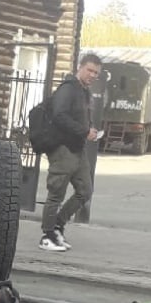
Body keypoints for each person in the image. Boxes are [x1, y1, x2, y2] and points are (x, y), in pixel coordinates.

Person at [39, 51, 102, 253]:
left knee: (85, 191)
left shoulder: (84, 92)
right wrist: (84, 131)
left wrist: (88, 130)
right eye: (90, 70)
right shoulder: (68, 89)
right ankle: (47, 236)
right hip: (62, 148)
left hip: (78, 148)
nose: (92, 75)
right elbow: (59, 116)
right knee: (55, 194)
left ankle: (58, 225)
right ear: (80, 68)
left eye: (96, 73)